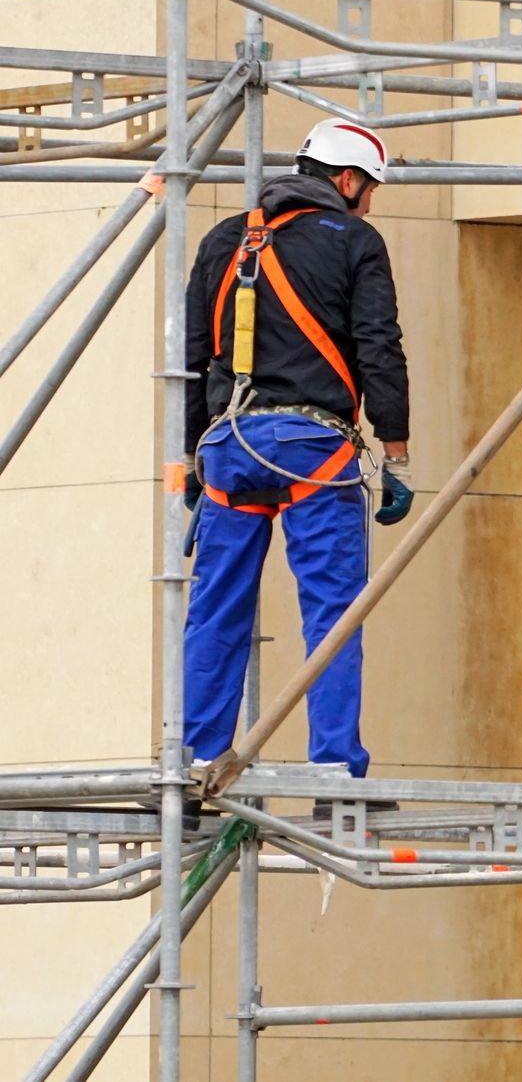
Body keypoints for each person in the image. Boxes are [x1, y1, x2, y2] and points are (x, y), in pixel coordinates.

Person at [181, 118, 413, 798]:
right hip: (312, 447)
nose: (368, 202)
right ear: (347, 181)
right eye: (367, 189)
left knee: (216, 609)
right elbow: (379, 345)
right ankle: (334, 767)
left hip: (228, 446)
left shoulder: (224, 240)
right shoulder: (356, 242)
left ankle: (198, 762)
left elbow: (194, 361)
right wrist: (394, 451)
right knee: (333, 611)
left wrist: (190, 462)